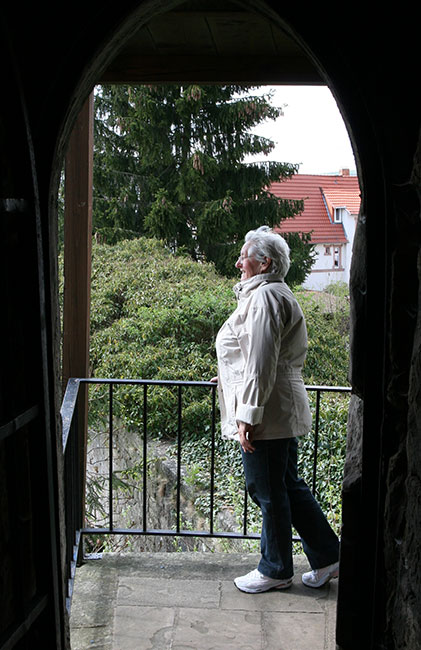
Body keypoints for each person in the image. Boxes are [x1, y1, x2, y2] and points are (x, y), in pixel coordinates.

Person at [214, 226, 340, 593]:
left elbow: (262, 360)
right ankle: (328, 556)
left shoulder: (265, 297)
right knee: (286, 486)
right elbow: (257, 357)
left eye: (244, 257)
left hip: (268, 411)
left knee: (267, 490)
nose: (238, 263)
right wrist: (228, 379)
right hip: (278, 406)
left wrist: (248, 414)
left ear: (264, 262)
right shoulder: (273, 293)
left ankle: (275, 569)